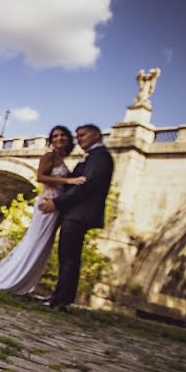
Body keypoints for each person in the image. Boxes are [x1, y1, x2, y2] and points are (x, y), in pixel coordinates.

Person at [0, 126, 84, 294]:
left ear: (68, 139)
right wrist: (69, 181)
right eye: (55, 136)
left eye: (63, 135)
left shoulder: (60, 158)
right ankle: (12, 280)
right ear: (51, 140)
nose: (59, 138)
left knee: (42, 244)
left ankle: (24, 282)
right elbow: (40, 177)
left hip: (54, 206)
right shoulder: (49, 155)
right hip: (46, 204)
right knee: (34, 242)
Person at [38, 124, 114, 310]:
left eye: (83, 135)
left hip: (80, 214)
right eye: (78, 136)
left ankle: (61, 300)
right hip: (76, 213)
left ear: (96, 135)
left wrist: (56, 203)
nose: (79, 139)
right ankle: (60, 297)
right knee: (67, 256)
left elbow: (86, 186)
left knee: (69, 257)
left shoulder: (100, 156)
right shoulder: (93, 157)